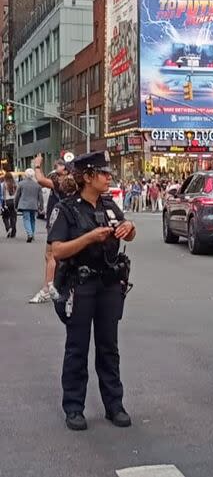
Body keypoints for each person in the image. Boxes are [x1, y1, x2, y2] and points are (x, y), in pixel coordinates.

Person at [47, 151, 136, 431]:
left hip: (109, 283)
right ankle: (74, 406)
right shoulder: (68, 209)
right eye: (103, 173)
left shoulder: (109, 205)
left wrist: (129, 228)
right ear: (87, 177)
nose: (109, 177)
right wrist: (87, 238)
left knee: (109, 346)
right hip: (81, 285)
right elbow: (57, 249)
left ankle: (114, 404)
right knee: (77, 347)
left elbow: (127, 232)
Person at [30, 154, 76, 304]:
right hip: (62, 221)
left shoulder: (64, 183)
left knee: (51, 255)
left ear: (66, 169)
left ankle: (47, 288)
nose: (56, 167)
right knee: (53, 255)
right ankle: (57, 282)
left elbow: (41, 179)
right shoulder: (68, 181)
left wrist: (37, 165)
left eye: (60, 165)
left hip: (59, 222)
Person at [15, 169, 43, 243]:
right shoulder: (37, 185)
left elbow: (17, 196)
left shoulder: (21, 184)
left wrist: (16, 205)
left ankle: (29, 234)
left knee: (26, 219)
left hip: (24, 205)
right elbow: (41, 197)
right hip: (34, 205)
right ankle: (32, 234)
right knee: (32, 219)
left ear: (25, 175)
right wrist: (41, 206)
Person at [1, 172, 18, 237]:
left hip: (6, 202)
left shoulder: (4, 184)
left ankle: (8, 228)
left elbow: (3, 195)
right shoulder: (15, 183)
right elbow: (17, 194)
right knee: (13, 216)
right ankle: (13, 231)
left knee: (5, 217)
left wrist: (4, 203)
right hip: (14, 201)